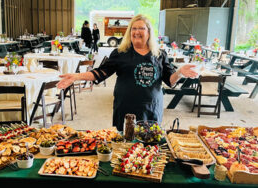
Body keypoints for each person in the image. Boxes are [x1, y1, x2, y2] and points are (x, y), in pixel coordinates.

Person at [57, 14, 198, 131]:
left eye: (141, 28)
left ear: (149, 32)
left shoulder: (159, 54)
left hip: (151, 109)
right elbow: (101, 73)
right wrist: (76, 76)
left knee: (149, 148)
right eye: (133, 28)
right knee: (125, 147)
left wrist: (179, 72)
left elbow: (170, 80)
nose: (136, 32)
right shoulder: (120, 53)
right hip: (126, 108)